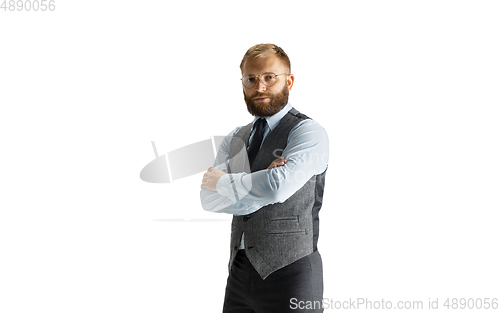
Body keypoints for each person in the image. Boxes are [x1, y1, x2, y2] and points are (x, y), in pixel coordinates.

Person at [200, 43, 329, 313]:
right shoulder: (237, 137)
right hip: (239, 269)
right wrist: (262, 183)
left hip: (292, 270)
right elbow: (208, 200)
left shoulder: (307, 132)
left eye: (269, 77)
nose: (260, 87)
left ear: (289, 81)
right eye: (251, 79)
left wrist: (224, 182)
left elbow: (276, 189)